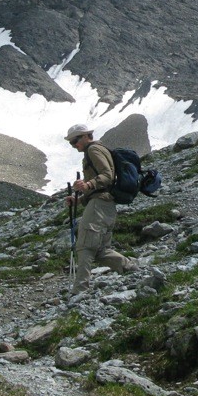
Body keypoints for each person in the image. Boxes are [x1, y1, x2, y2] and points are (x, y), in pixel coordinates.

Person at [65, 123, 132, 293]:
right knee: (101, 250)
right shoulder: (99, 149)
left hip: (99, 204)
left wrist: (88, 185)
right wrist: (80, 200)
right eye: (71, 143)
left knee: (85, 245)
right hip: (107, 204)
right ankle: (131, 268)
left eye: (75, 141)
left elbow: (107, 175)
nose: (74, 145)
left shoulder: (93, 150)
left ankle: (80, 289)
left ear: (86, 136)